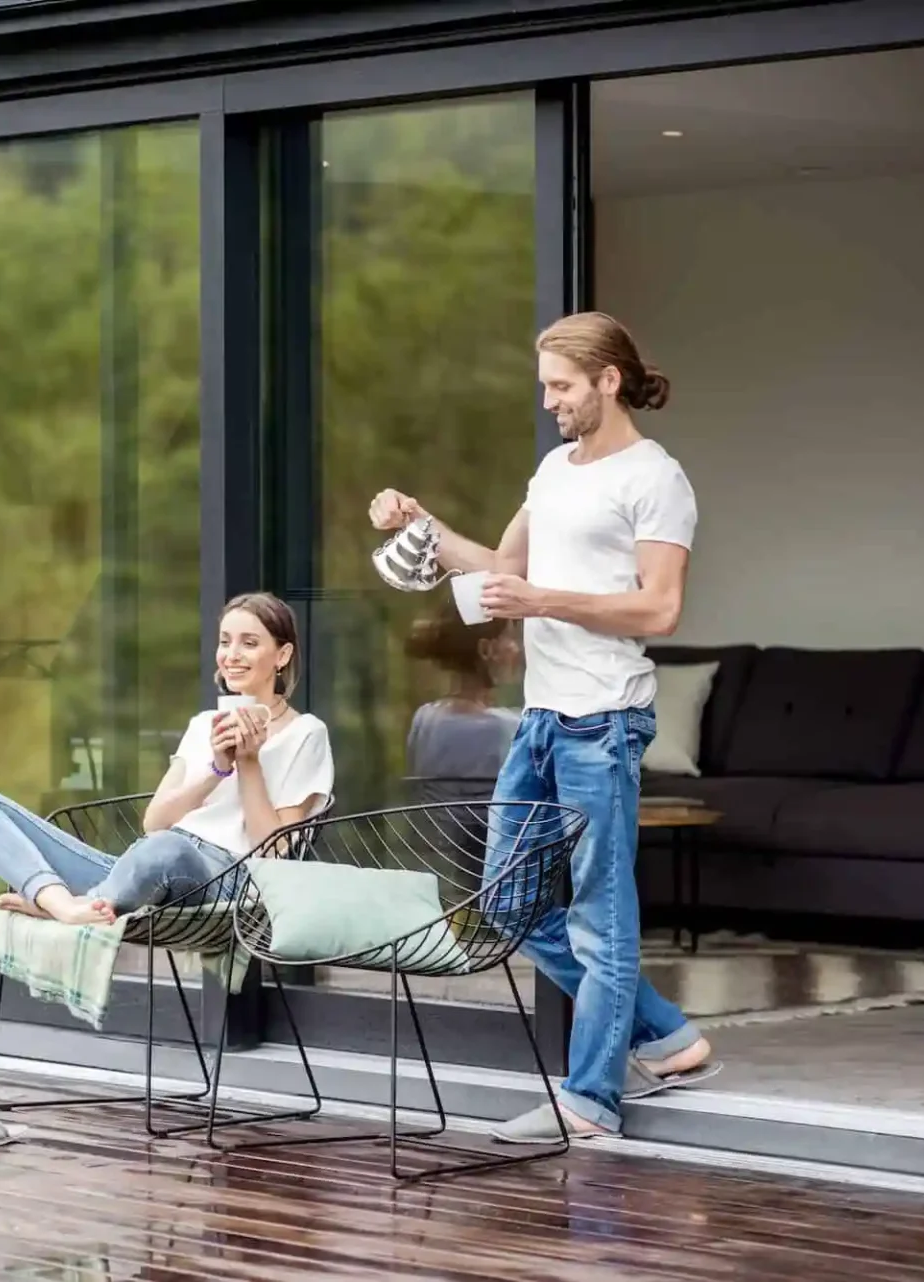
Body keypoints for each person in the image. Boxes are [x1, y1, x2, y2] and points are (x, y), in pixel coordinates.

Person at [368, 311, 718, 1144]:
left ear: (607, 379)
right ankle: (666, 1034)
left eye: (561, 386)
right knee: (510, 904)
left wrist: (542, 602)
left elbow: (660, 607)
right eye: (546, 387)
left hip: (605, 719)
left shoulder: (656, 478)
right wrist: (419, 524)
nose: (551, 402)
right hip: (543, 720)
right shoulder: (554, 469)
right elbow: (498, 567)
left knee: (602, 914)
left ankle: (592, 1099)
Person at [0, 592, 334, 927]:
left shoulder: (306, 733)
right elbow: (154, 822)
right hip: (140, 871)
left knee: (167, 848)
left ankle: (79, 905)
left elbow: (273, 852)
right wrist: (217, 768)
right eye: (225, 642)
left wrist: (249, 763)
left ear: (282, 655)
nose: (232, 655)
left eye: (249, 643)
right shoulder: (204, 725)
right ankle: (63, 905)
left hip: (227, 878)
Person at [403, 607, 522, 801]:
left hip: (433, 832)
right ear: (486, 650)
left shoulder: (424, 717)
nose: (517, 648)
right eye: (510, 637)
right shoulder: (506, 727)